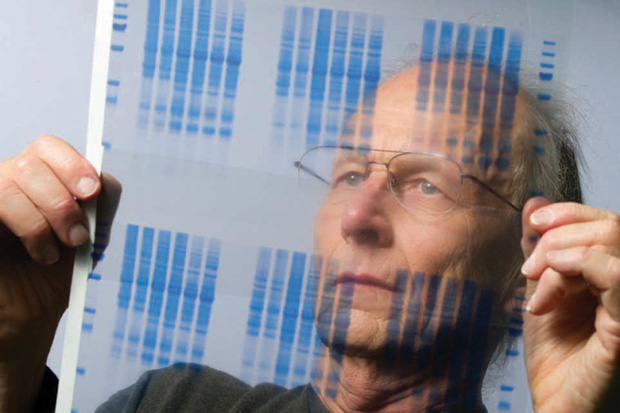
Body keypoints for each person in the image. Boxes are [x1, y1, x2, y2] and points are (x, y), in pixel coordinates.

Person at [1, 60, 619, 413]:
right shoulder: (174, 405)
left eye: (429, 185)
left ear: (528, 270)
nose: (358, 219)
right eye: (350, 173)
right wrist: (12, 361)